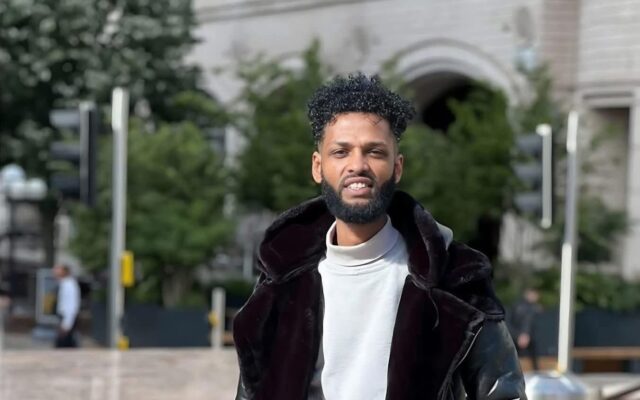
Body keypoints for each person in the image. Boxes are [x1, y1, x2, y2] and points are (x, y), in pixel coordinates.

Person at [233, 74, 526, 399]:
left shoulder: (455, 277)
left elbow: (504, 392)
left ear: (397, 167)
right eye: (341, 152)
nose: (357, 165)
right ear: (318, 166)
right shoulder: (280, 280)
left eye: (374, 152)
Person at [510, 288, 542, 371]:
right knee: (533, 358)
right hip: (524, 336)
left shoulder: (517, 305)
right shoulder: (530, 308)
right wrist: (524, 335)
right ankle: (536, 372)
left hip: (517, 336)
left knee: (513, 357)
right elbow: (527, 321)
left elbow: (511, 323)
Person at [52, 264, 80, 348]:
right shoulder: (64, 283)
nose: (54, 271)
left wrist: (66, 324)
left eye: (58, 269)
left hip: (67, 318)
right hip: (65, 318)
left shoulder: (69, 285)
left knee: (64, 346)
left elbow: (71, 305)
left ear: (64, 272)